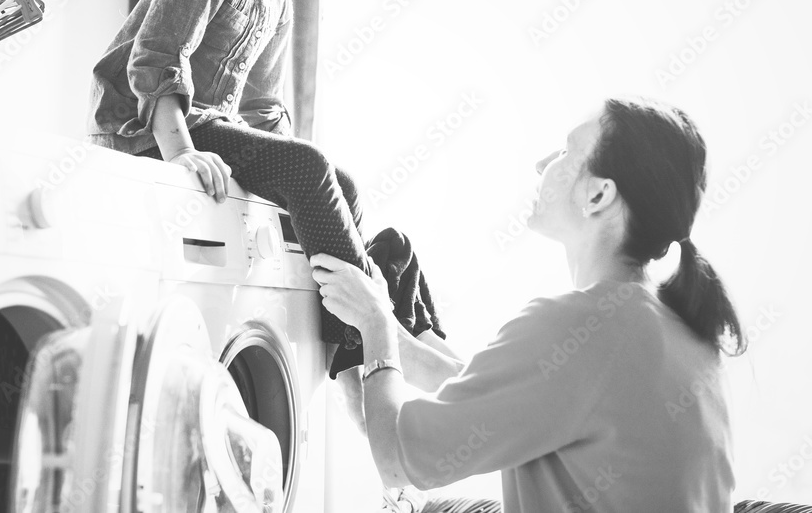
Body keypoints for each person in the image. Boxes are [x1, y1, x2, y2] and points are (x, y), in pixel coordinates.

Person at [311, 97, 747, 512]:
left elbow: (394, 460)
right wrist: (404, 346)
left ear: (598, 195)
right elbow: (541, 396)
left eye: (565, 151)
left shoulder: (573, 324)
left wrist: (374, 323)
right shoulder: (684, 329)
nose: (541, 165)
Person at [85, 0, 376, 365]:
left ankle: (346, 352)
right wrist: (178, 153)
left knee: (337, 179)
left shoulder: (278, 1)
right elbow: (156, 56)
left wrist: (308, 191)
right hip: (146, 131)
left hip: (210, 129)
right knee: (309, 167)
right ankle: (377, 336)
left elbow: (264, 110)